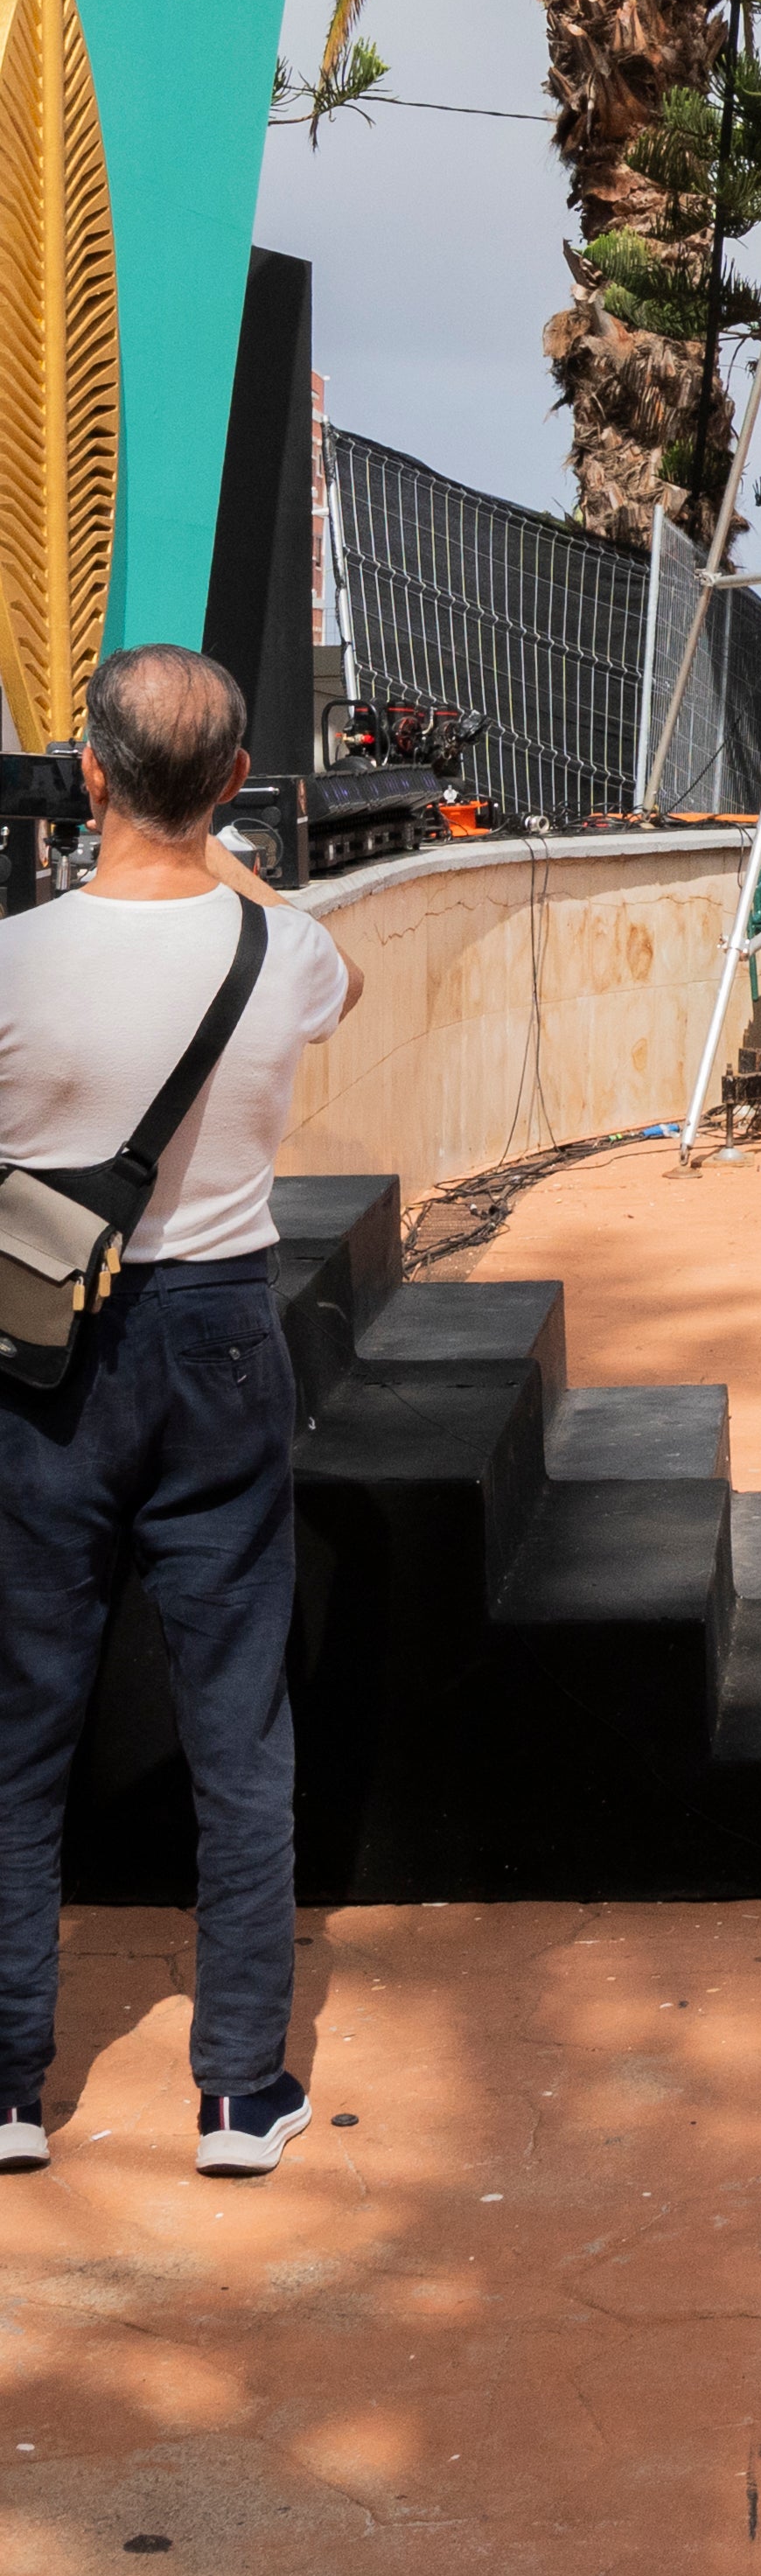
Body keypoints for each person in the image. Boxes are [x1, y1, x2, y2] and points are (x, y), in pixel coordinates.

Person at [0, 644, 356, 2175]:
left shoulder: (14, 956)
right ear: (231, 784)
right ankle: (237, 2089)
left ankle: (13, 2086)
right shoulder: (283, 955)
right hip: (220, 1332)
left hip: (39, 1339)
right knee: (238, 1719)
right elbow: (331, 964)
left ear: (87, 774)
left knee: (19, 1723)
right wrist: (229, 858)